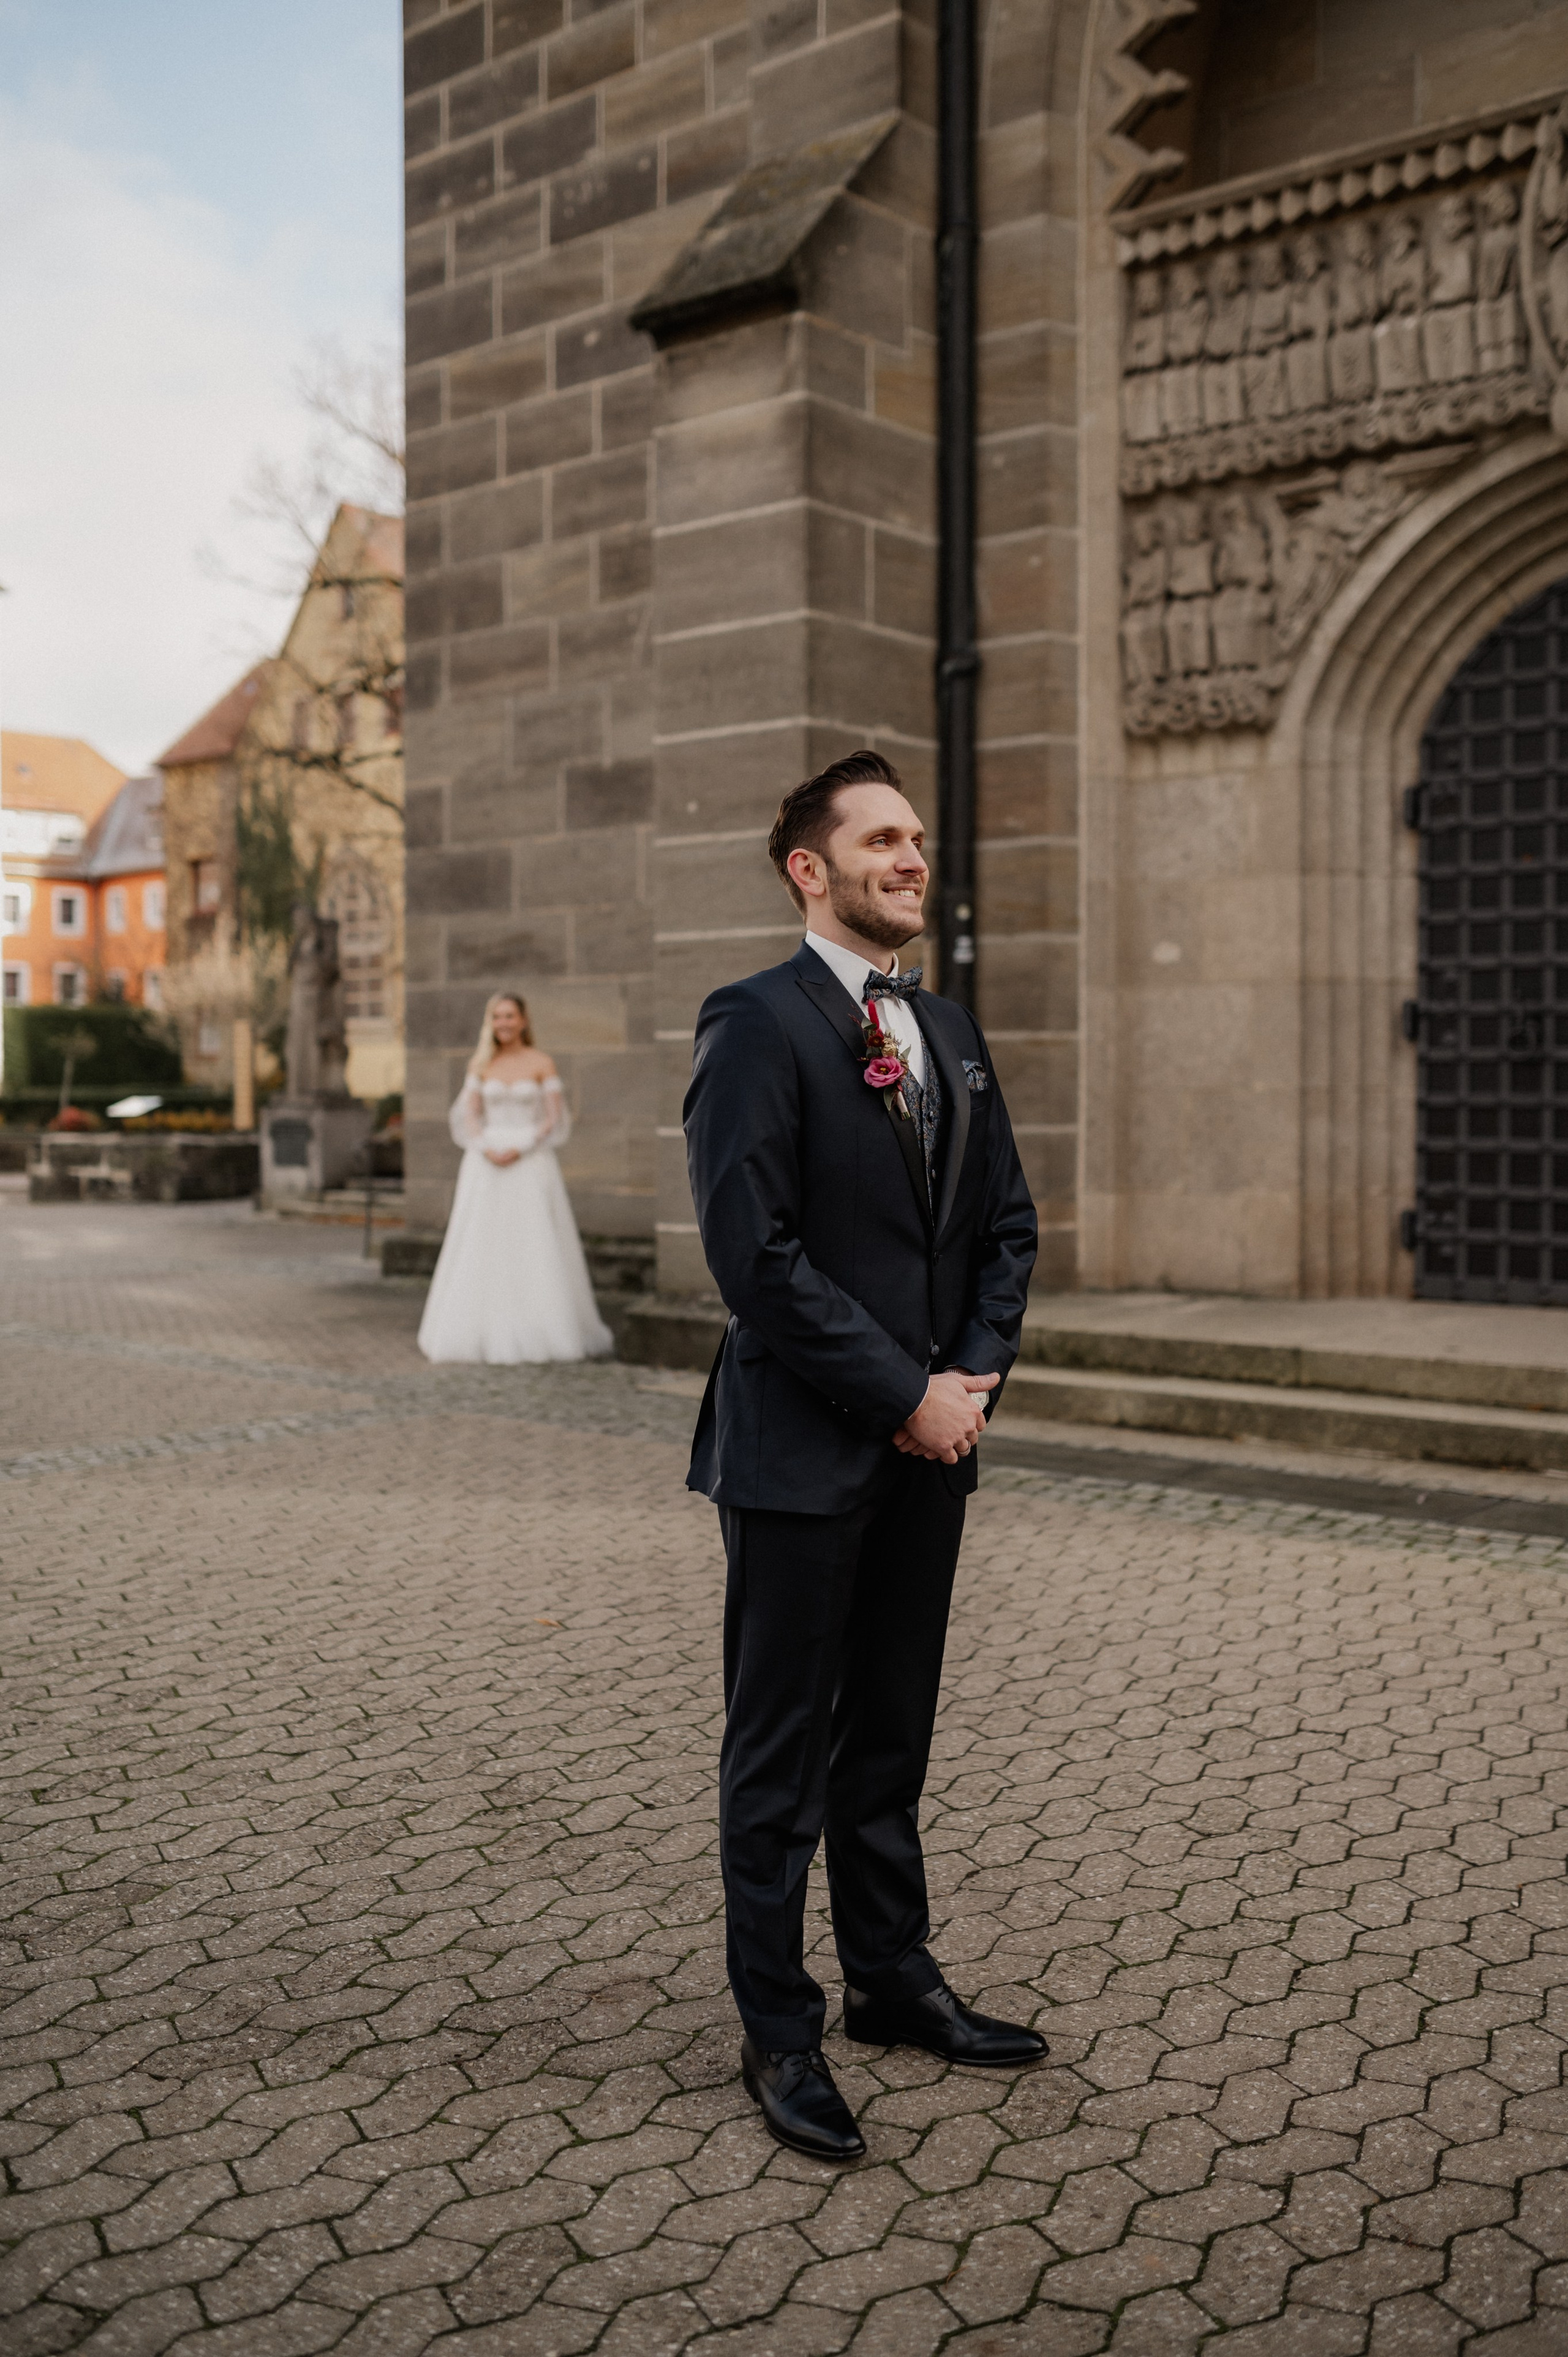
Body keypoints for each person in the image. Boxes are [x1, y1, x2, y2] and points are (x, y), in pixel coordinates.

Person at [684, 750, 1045, 2164]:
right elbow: (753, 1255)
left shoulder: (944, 1025)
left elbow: (1003, 1226)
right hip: (798, 1452)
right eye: (881, 838)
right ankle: (778, 2025)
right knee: (778, 1754)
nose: (911, 857)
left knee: (889, 1733)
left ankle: (891, 1979)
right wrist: (904, 1391)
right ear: (809, 868)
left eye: (915, 838)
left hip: (931, 1446)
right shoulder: (753, 1022)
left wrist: (967, 1381)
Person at [418, 992, 612, 1365]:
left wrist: (522, 1146)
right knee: (481, 1241)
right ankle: (473, 1328)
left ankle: (543, 1328)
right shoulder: (481, 1064)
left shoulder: (541, 1062)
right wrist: (485, 1146)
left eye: (509, 1016)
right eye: (496, 1017)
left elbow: (554, 1118)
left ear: (523, 1020)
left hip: (529, 1161)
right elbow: (469, 1114)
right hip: (486, 1163)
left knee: (532, 1240)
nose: (503, 1023)